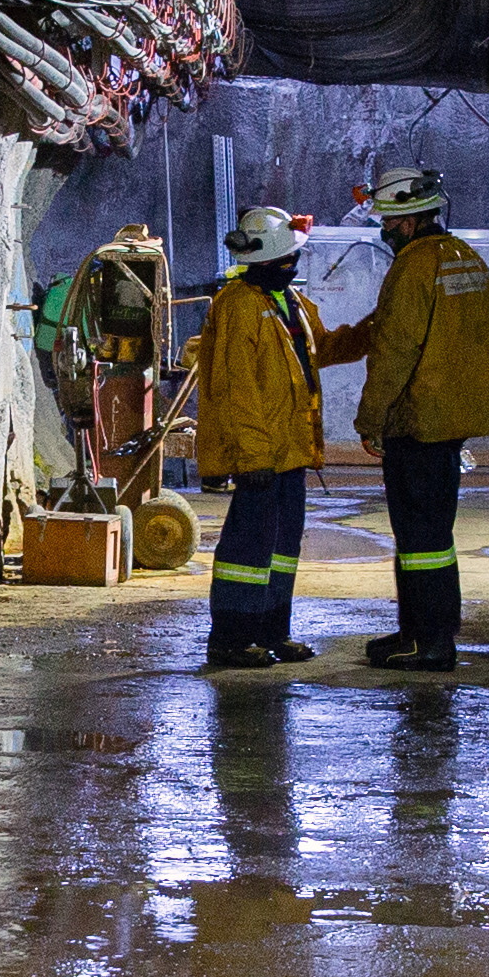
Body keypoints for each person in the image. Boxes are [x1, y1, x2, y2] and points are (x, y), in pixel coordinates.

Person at [322, 164, 489, 672]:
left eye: (387, 220)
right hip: (450, 420)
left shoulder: (414, 266)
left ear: (405, 221)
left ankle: (427, 642)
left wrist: (370, 419)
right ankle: (425, 634)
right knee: (434, 537)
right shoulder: (466, 259)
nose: (384, 229)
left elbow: (395, 349)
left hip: (418, 420)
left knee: (420, 538)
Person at [193, 205, 325, 672]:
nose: (295, 265)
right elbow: (236, 389)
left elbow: (318, 352)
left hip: (289, 449)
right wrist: (252, 457)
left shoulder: (287, 303)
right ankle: (230, 639)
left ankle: (273, 632)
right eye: (289, 258)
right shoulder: (239, 306)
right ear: (271, 260)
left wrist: (375, 331)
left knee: (282, 548)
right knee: (246, 551)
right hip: (262, 453)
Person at [72, 218, 171, 486]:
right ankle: (107, 480)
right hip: (113, 351)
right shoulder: (105, 263)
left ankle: (130, 487)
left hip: (136, 353)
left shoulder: (143, 261)